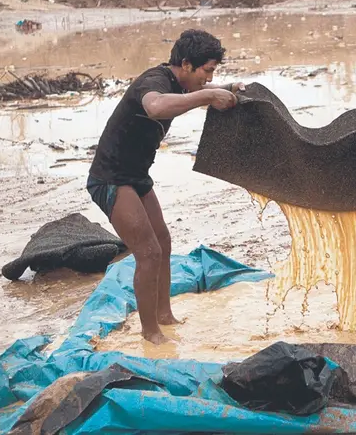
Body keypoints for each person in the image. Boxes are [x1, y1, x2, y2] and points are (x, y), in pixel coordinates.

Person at [86, 29, 243, 345]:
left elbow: (194, 93)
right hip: (111, 178)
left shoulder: (179, 83)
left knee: (163, 242)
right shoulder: (154, 82)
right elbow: (156, 106)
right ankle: (151, 335)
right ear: (186, 65)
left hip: (136, 176)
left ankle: (164, 315)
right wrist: (209, 96)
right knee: (148, 252)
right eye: (208, 71)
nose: (209, 78)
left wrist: (224, 89)